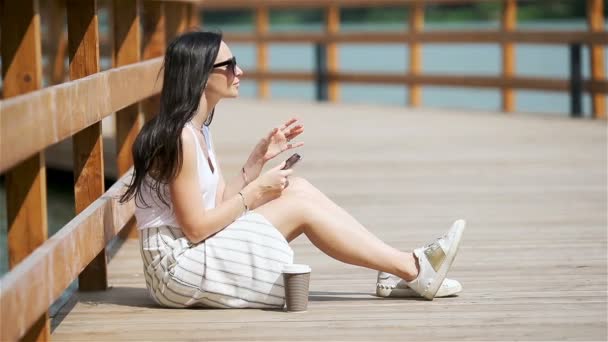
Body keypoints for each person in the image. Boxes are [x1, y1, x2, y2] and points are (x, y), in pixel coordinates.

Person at [120, 31, 466, 309]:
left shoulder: (199, 130)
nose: (239, 72)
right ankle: (413, 269)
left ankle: (399, 268)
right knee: (297, 204)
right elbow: (195, 228)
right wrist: (255, 193)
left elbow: (218, 204)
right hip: (176, 270)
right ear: (201, 75)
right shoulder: (179, 138)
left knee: (295, 188)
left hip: (191, 253)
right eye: (230, 65)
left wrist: (256, 161)